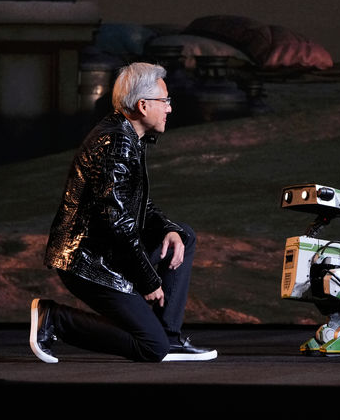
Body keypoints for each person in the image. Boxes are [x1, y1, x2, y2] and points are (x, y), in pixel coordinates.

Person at [30, 62, 217, 363]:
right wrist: (148, 279)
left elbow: (138, 205)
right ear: (143, 105)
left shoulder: (128, 135)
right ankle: (55, 319)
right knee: (151, 348)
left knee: (182, 236)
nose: (169, 108)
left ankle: (169, 338)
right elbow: (116, 222)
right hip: (87, 261)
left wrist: (168, 229)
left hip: (106, 252)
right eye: (165, 101)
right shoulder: (116, 142)